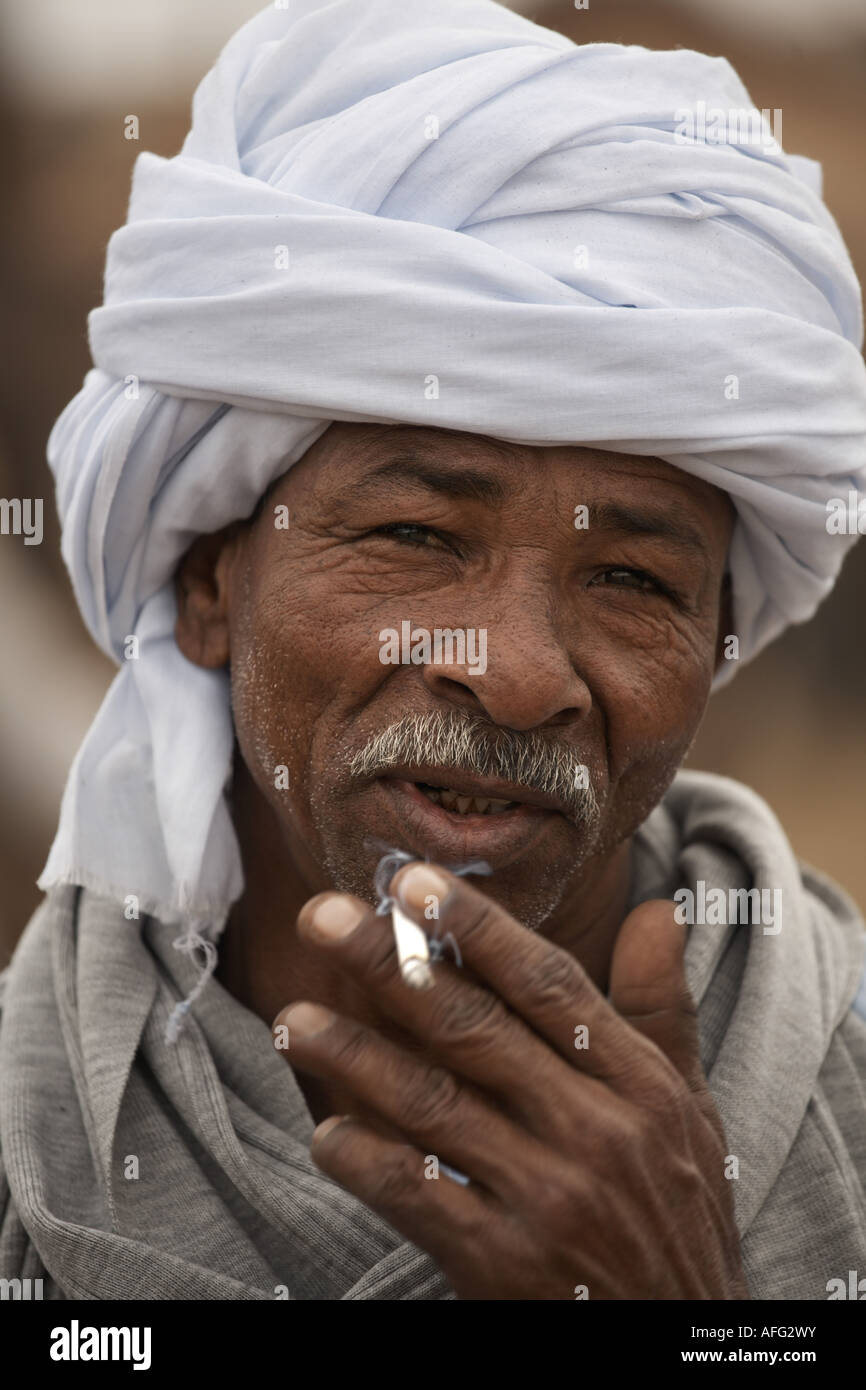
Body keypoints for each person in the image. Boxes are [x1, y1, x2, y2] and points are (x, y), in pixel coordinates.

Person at [1, 0, 865, 1301]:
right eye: (413, 533)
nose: (514, 672)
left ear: (716, 638)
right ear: (206, 579)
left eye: (631, 576)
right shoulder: (33, 1147)